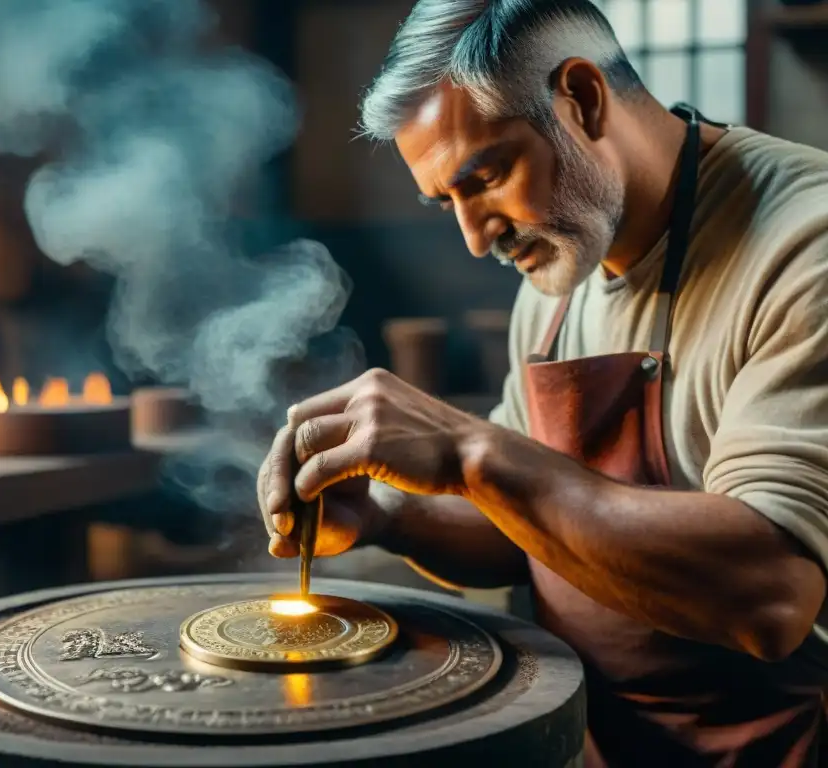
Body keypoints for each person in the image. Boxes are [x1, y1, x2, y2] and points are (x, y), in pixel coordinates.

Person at [255, 1, 828, 765]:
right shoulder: (558, 285)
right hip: (603, 742)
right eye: (446, 202)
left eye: (485, 177)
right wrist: (386, 515)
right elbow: (529, 526)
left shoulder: (804, 246)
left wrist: (469, 452)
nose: (473, 235)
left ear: (582, 99)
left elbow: (769, 595)